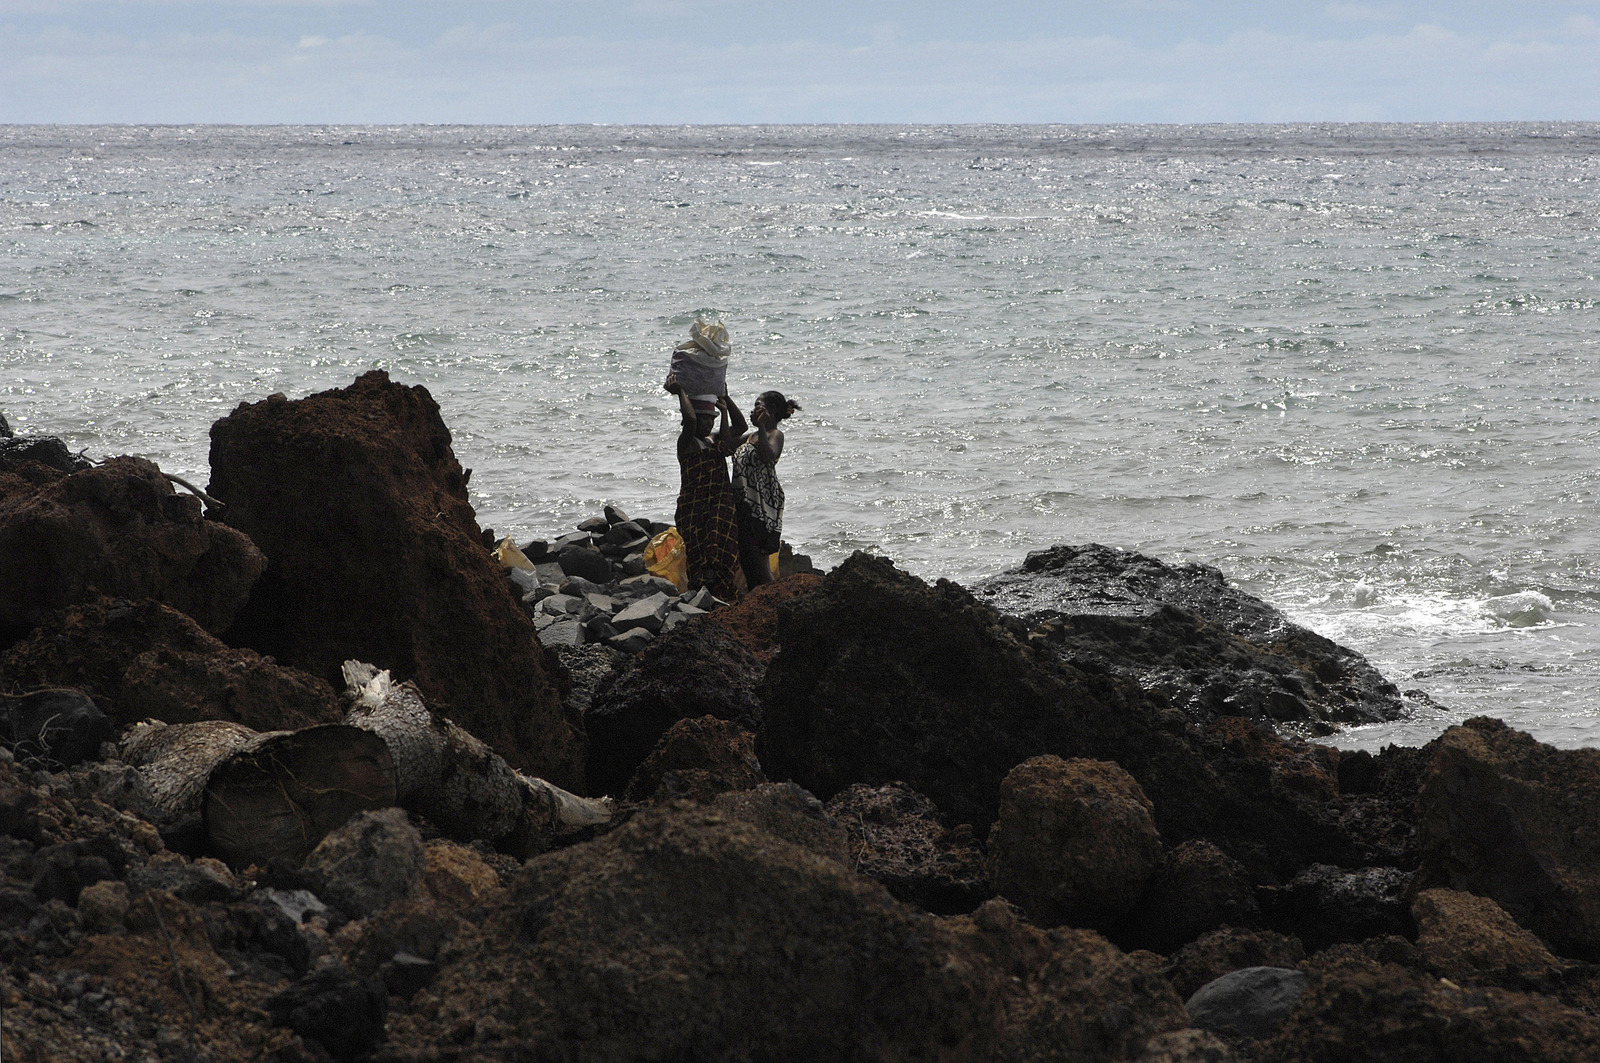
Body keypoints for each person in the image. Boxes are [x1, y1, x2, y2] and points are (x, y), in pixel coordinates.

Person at [665, 373, 744, 602]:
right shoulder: (686, 442)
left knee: (722, 548)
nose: (708, 423)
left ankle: (722, 594)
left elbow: (740, 425)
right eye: (704, 419)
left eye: (711, 419)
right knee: (700, 554)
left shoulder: (715, 440)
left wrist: (726, 399)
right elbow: (689, 420)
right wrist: (680, 391)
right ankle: (701, 598)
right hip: (695, 507)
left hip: (719, 504)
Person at [730, 390, 801, 589]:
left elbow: (768, 455)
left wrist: (761, 425)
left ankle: (770, 603)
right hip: (745, 505)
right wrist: (726, 405)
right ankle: (759, 603)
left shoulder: (775, 434)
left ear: (771, 411)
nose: (753, 410)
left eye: (758, 406)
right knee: (748, 561)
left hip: (762, 508)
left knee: (759, 563)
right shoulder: (750, 436)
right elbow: (726, 444)